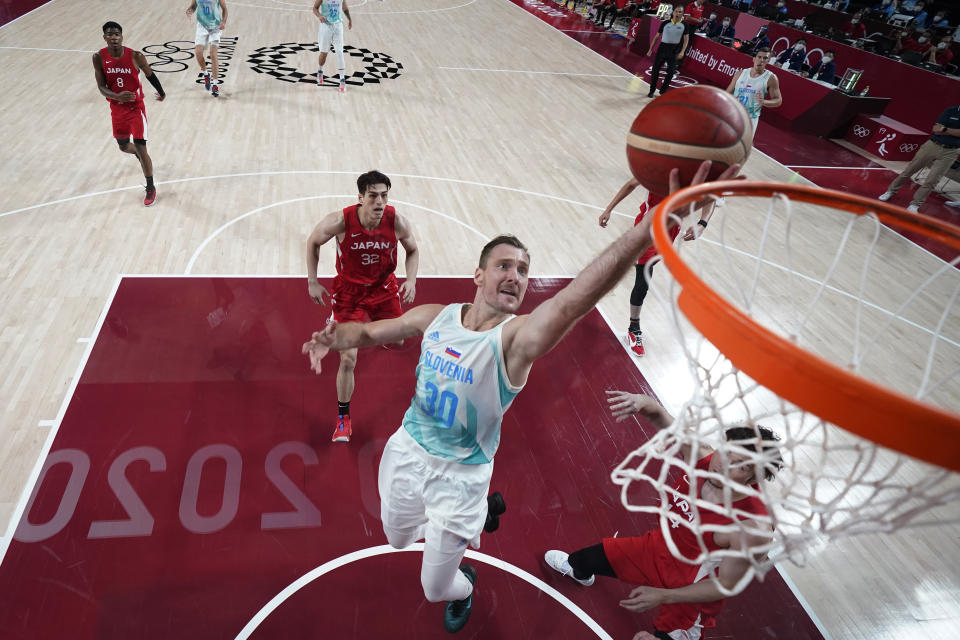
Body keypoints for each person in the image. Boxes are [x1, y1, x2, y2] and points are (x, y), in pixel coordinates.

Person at [302, 161, 742, 634]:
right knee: (394, 539)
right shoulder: (436, 316)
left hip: (462, 475)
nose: (516, 276)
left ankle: (464, 580)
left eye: (524, 270)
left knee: (435, 588)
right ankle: (475, 521)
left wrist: (657, 225)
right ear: (478, 274)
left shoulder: (516, 342)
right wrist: (335, 336)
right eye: (505, 266)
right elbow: (368, 331)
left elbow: (575, 299)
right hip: (408, 451)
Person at [544, 393, 782, 640]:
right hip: (658, 549)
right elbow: (660, 417)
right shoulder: (702, 457)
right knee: (579, 561)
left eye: (740, 465)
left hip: (692, 589)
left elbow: (725, 585)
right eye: (727, 452)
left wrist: (664, 595)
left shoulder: (751, 527)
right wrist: (644, 404)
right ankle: (580, 574)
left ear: (753, 479)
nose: (723, 465)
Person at [305, 170, 419, 442]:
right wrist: (312, 281)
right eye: (373, 196)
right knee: (348, 358)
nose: (379, 202)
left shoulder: (397, 221)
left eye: (384, 195)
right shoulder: (340, 221)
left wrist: (411, 280)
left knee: (399, 341)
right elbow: (313, 242)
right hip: (349, 293)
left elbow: (412, 250)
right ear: (360, 197)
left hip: (383, 288)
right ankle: (343, 418)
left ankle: (361, 333)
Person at [598, 178, 716, 356]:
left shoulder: (693, 169)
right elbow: (631, 184)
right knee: (644, 276)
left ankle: (624, 257)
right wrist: (608, 209)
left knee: (646, 267)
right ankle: (634, 327)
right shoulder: (658, 165)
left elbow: (711, 196)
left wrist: (702, 223)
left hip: (671, 229)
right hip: (648, 226)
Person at [92, 21, 166, 207]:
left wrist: (161, 92)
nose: (114, 37)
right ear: (105, 37)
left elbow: (150, 74)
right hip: (116, 109)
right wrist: (117, 96)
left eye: (117, 34)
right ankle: (140, 156)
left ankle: (150, 186)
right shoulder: (98, 57)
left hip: (135, 109)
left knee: (142, 147)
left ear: (122, 36)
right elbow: (101, 87)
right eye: (110, 34)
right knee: (124, 147)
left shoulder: (136, 56)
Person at [878, 105, 960, 212]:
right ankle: (890, 191)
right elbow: (936, 130)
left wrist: (945, 129)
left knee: (932, 180)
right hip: (932, 145)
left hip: (951, 152)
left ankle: (915, 204)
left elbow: (943, 129)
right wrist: (953, 132)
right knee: (909, 170)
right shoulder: (951, 111)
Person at [727, 47, 783, 132]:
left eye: (765, 58)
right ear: (754, 59)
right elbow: (727, 93)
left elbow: (778, 100)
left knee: (741, 145)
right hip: (733, 115)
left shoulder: (771, 78)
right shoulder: (741, 73)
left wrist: (764, 102)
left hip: (750, 120)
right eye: (759, 57)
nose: (761, 60)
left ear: (768, 61)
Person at [186, 0, 228, 98]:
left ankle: (215, 84)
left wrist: (223, 21)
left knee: (213, 54)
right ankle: (206, 74)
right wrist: (190, 10)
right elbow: (194, 5)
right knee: (198, 53)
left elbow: (225, 9)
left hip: (215, 26)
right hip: (202, 26)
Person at [646, 5, 689, 98]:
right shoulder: (665, 23)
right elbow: (657, 37)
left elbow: (686, 40)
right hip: (662, 49)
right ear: (673, 12)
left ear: (682, 14)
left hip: (674, 50)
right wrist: (650, 49)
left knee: (671, 71)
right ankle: (651, 90)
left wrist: (682, 51)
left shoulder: (685, 25)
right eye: (676, 11)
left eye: (680, 12)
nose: (678, 13)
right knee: (655, 71)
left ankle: (663, 91)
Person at [313, 0, 352, 92]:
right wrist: (319, 16)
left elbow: (344, 7)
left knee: (339, 52)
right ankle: (320, 70)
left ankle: (342, 80)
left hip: (338, 26)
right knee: (324, 53)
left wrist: (349, 19)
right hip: (326, 26)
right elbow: (315, 8)